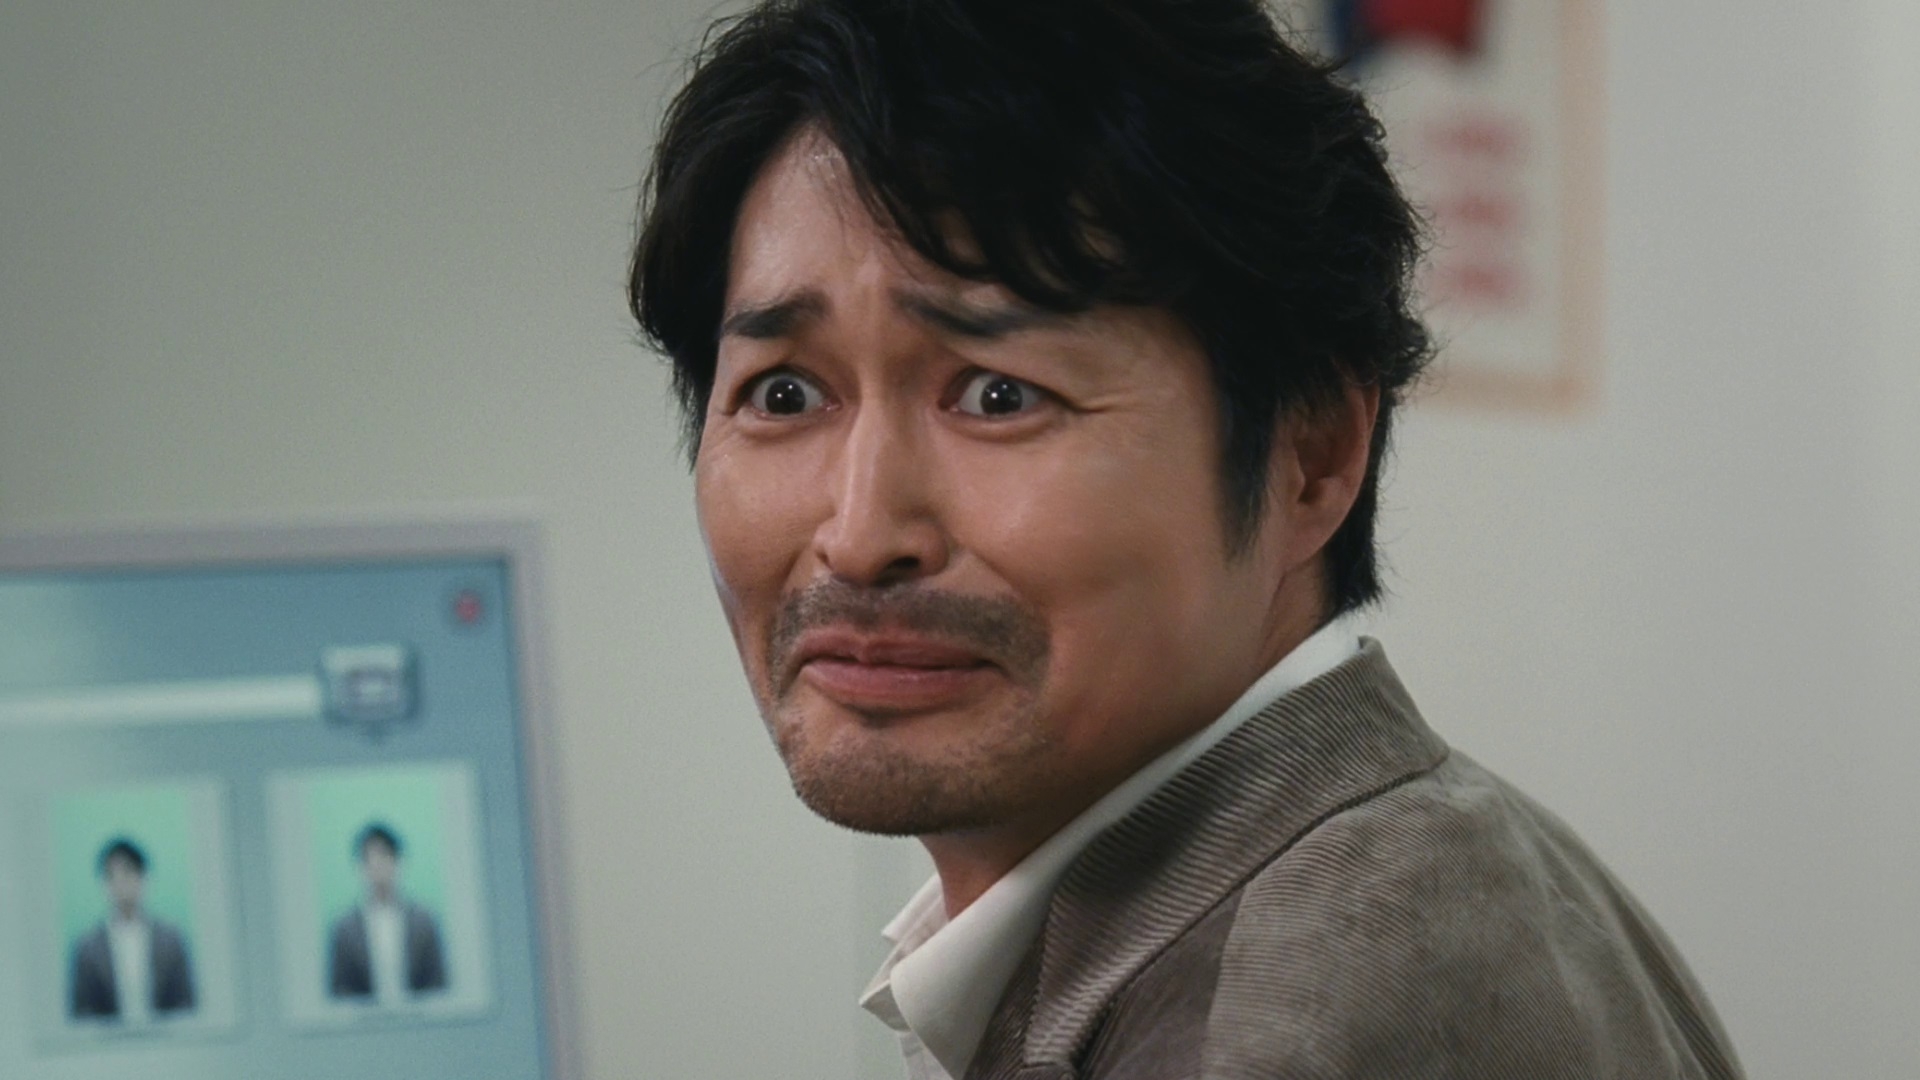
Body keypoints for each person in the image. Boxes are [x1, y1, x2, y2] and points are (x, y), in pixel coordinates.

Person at [629, 1, 1745, 1076]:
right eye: (783, 394)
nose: (862, 533)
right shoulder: (1414, 868)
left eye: (999, 395)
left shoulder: (1296, 1019)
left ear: (1311, 458)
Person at [69, 838, 195, 1022]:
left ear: (143, 877)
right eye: (111, 875)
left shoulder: (171, 940)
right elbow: (83, 1013)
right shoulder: (87, 948)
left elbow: (185, 1005)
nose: (120, 883)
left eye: (127, 872)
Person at [326, 823, 446, 1003]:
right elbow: (340, 990)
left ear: (397, 861)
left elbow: (437, 983)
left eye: (384, 856)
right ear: (360, 866)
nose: (377, 865)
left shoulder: (424, 921)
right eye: (369, 859)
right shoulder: (344, 928)